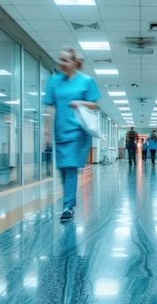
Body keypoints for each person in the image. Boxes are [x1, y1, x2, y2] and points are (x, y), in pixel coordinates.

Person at [44, 47, 100, 222]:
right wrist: (46, 131)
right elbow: (49, 106)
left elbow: (94, 105)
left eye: (65, 60)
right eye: (59, 60)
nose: (61, 63)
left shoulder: (86, 81)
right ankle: (68, 203)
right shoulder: (54, 81)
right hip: (60, 129)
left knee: (70, 168)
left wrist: (79, 102)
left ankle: (68, 206)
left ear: (75, 63)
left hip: (78, 130)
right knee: (62, 167)